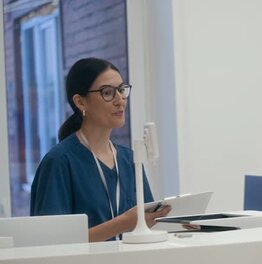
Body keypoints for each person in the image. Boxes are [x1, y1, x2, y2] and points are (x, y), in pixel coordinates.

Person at [30, 57, 171, 242]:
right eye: (107, 93)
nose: (120, 100)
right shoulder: (59, 162)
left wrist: (179, 223)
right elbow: (49, 244)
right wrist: (123, 223)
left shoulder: (129, 159)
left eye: (121, 90)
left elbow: (149, 226)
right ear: (80, 102)